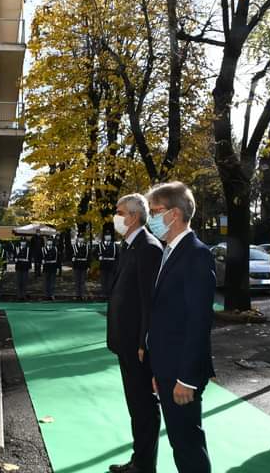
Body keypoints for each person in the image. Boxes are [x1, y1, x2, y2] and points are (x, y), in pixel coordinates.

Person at [144, 182, 215, 473]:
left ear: (174, 214)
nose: (151, 218)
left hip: (182, 371)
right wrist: (158, 370)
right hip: (167, 367)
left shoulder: (195, 254)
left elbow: (198, 321)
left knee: (187, 445)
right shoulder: (171, 250)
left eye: (155, 211)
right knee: (180, 441)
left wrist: (186, 378)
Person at [106, 193, 162, 473]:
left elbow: (148, 301)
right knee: (135, 404)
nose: (115, 217)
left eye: (119, 212)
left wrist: (144, 341)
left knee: (144, 406)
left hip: (137, 345)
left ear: (133, 216)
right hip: (124, 342)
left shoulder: (148, 247)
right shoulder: (128, 246)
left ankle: (145, 466)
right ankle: (138, 461)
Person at [98, 232, 119, 298]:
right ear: (104, 237)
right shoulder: (100, 245)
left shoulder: (114, 245)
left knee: (111, 281)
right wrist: (99, 256)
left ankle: (110, 295)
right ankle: (103, 294)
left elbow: (118, 256)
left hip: (111, 265)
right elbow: (94, 253)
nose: (108, 237)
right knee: (103, 280)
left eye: (109, 236)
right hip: (103, 265)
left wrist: (116, 264)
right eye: (107, 236)